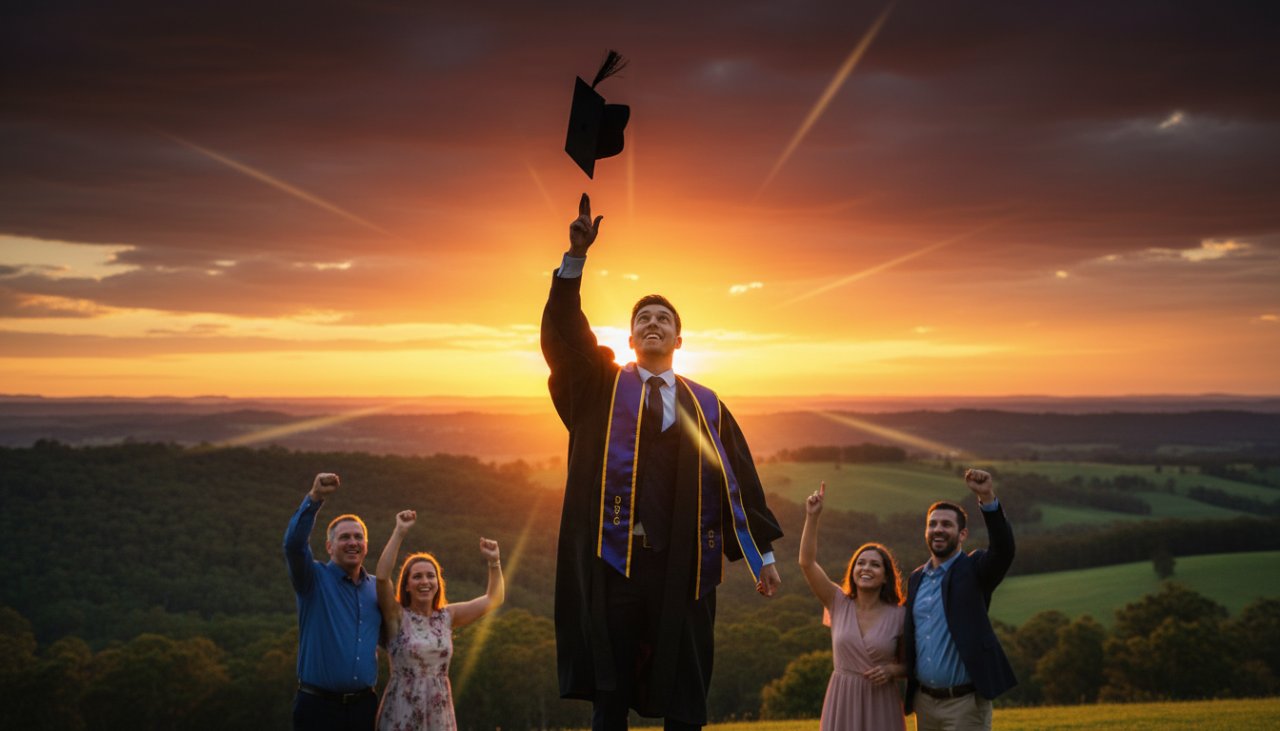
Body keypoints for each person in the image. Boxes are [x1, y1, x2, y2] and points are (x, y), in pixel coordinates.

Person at [541, 194, 785, 731]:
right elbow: (566, 338)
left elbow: (738, 483)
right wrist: (574, 258)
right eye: (643, 319)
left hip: (686, 567)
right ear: (629, 339)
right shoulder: (600, 389)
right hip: (615, 564)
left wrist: (762, 555)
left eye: (664, 319)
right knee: (611, 690)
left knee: (685, 687)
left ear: (679, 338)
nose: (654, 324)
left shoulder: (707, 404)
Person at [903, 469, 1017, 731]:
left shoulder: (975, 569)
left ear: (962, 534)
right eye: (932, 524)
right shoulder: (916, 578)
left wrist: (987, 498)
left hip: (965, 704)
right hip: (924, 703)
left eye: (946, 524)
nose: (938, 530)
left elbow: (1004, 549)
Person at [373, 509, 505, 731]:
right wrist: (399, 532)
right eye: (417, 576)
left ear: (438, 582)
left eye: (430, 575)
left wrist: (495, 562)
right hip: (401, 711)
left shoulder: (446, 616)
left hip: (439, 712)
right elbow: (383, 577)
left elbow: (494, 598)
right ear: (406, 585)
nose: (425, 581)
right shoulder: (396, 616)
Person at [798, 482, 906, 731]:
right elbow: (806, 562)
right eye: (861, 563)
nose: (866, 568)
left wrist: (893, 670)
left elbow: (915, 664)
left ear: (887, 576)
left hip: (881, 702)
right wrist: (812, 517)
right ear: (853, 570)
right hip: (842, 698)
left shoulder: (900, 615)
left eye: (875, 565)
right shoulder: (837, 602)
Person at [283, 472, 381, 731]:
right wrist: (315, 498)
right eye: (345, 537)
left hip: (364, 709)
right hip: (318, 709)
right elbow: (293, 546)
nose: (353, 543)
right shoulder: (312, 580)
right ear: (329, 546)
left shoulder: (377, 589)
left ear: (366, 545)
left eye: (358, 537)